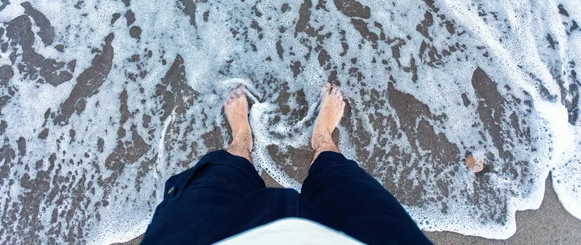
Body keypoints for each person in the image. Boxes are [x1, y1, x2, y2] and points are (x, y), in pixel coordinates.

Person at [142, 83, 432, 245]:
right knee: (337, 175)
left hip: (202, 237)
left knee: (224, 174)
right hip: (367, 239)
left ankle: (243, 140)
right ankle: (322, 139)